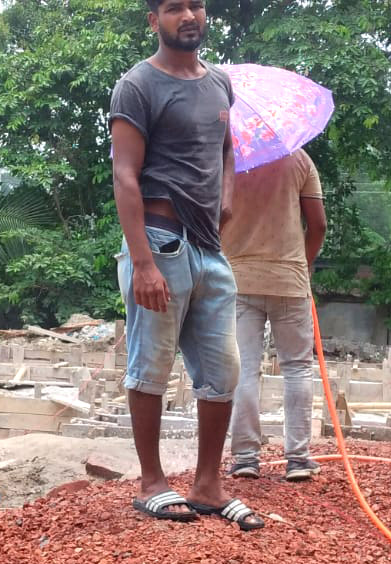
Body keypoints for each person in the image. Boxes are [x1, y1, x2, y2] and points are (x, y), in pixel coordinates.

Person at [108, 0, 264, 531]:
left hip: (209, 248)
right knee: (150, 363)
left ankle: (207, 485)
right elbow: (125, 176)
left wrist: (227, 194)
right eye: (174, 8)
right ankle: (151, 482)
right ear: (154, 20)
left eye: (195, 5)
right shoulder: (137, 86)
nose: (188, 15)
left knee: (225, 368)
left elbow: (225, 151)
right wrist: (143, 262)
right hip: (160, 238)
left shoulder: (220, 84)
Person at [223, 149, 327, 482]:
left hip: (238, 279)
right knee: (297, 367)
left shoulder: (227, 158)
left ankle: (245, 458)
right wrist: (302, 263)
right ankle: (297, 458)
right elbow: (319, 224)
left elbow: (211, 218)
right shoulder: (299, 159)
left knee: (245, 368)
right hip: (290, 281)